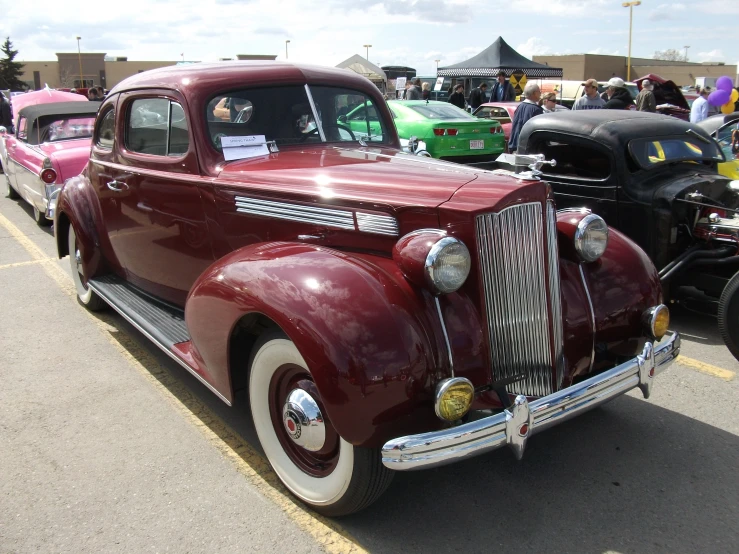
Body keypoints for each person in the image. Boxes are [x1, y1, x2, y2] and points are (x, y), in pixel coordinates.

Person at [509, 82, 543, 153]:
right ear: (534, 93)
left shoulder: (519, 107)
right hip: (527, 150)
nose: (540, 93)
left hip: (515, 146)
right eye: (539, 91)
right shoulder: (536, 110)